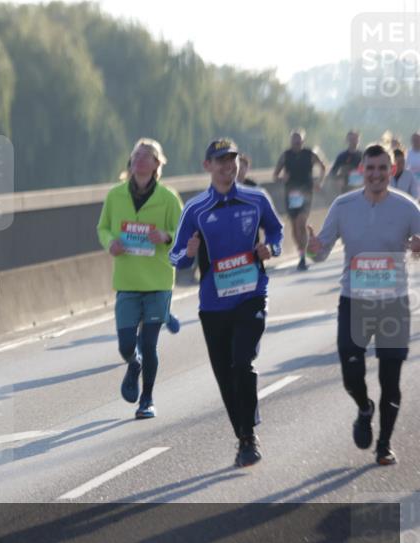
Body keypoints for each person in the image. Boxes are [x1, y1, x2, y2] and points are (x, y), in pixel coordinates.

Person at [170, 139, 284, 467]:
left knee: (242, 362)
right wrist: (188, 254)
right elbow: (175, 256)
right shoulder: (195, 209)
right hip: (213, 305)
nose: (227, 166)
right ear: (208, 166)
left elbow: (276, 233)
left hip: (251, 295)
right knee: (225, 375)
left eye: (231, 160)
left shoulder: (256, 198)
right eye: (220, 161)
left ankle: (249, 438)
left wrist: (270, 250)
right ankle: (243, 434)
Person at [308, 143, 420, 465]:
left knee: (391, 378)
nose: (376, 175)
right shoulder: (343, 206)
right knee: (351, 371)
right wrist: (314, 247)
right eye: (370, 169)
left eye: (382, 169)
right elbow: (320, 252)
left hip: (394, 304)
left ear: (392, 171)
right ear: (362, 171)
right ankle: (363, 407)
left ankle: (384, 444)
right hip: (354, 303)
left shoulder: (407, 207)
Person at [97, 138, 183, 419]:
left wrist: (166, 236)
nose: (141, 159)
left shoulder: (168, 198)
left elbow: (181, 233)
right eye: (136, 155)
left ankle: (146, 399)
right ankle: (134, 364)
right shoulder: (115, 195)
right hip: (127, 280)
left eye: (147, 155)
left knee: (149, 343)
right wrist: (110, 242)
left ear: (158, 164)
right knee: (126, 345)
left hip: (158, 281)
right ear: (130, 162)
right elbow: (103, 227)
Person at [273, 130, 327, 271]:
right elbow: (275, 175)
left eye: (299, 141)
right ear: (291, 141)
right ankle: (301, 253)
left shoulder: (309, 154)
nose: (296, 143)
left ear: (302, 141)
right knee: (295, 227)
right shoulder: (285, 156)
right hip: (291, 195)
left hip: (306, 193)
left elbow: (323, 166)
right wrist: (281, 178)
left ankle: (302, 258)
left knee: (301, 222)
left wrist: (319, 182)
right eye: (294, 141)